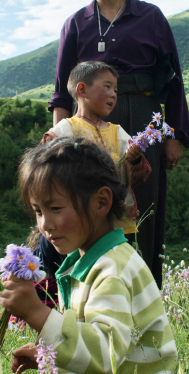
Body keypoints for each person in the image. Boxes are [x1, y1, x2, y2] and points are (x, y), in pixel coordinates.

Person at [0, 138, 178, 374]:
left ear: (101, 202)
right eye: (37, 211)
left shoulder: (113, 270)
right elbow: (93, 340)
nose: (45, 224)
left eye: (55, 208)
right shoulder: (90, 259)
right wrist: (51, 356)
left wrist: (36, 312)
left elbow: (103, 356)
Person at [50, 0, 189, 288]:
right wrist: (56, 146)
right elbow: (60, 90)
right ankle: (95, 292)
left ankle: (149, 294)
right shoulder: (76, 23)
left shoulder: (151, 17)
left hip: (144, 115)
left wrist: (173, 136)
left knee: (143, 205)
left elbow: (174, 78)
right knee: (91, 204)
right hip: (88, 123)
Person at [43, 61, 152, 242]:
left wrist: (134, 160)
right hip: (80, 224)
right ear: (82, 90)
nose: (113, 95)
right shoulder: (63, 131)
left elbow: (140, 176)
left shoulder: (119, 133)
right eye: (107, 87)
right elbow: (47, 176)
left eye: (115, 90)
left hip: (118, 225)